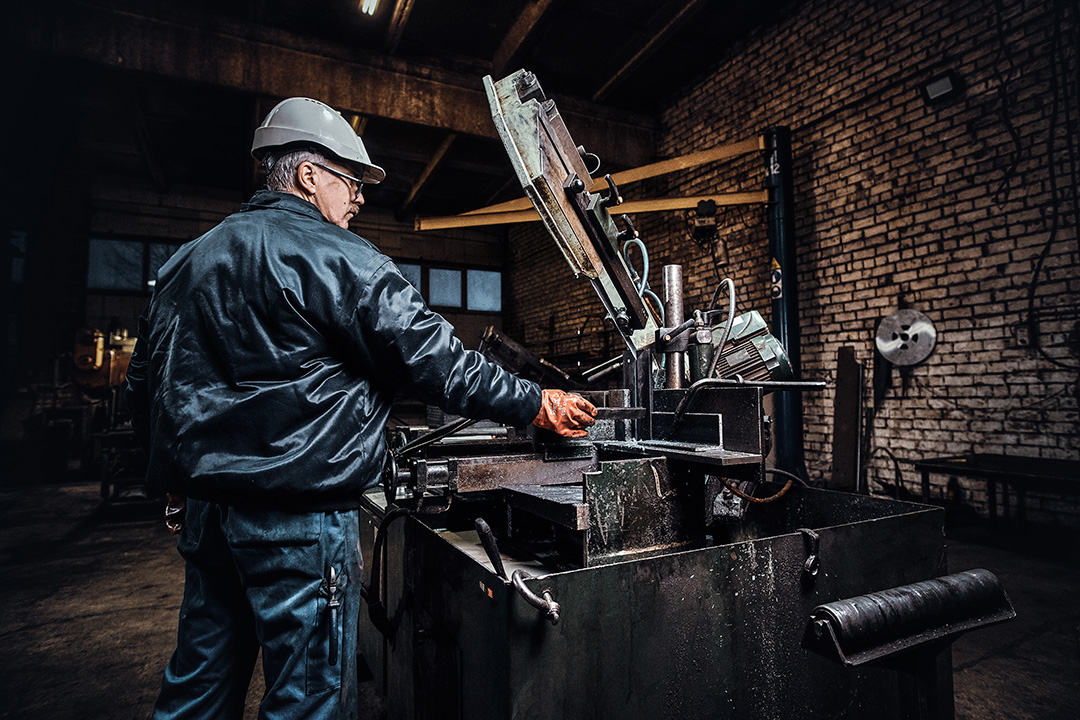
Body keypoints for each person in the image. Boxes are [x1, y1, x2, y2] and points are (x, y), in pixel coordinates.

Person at [126, 96, 597, 720]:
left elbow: (147, 385)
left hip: (210, 515)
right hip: (297, 517)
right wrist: (535, 402)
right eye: (350, 181)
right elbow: (441, 363)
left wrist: (173, 484)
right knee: (307, 700)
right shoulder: (342, 259)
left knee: (199, 686)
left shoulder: (186, 262)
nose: (359, 198)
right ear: (307, 175)